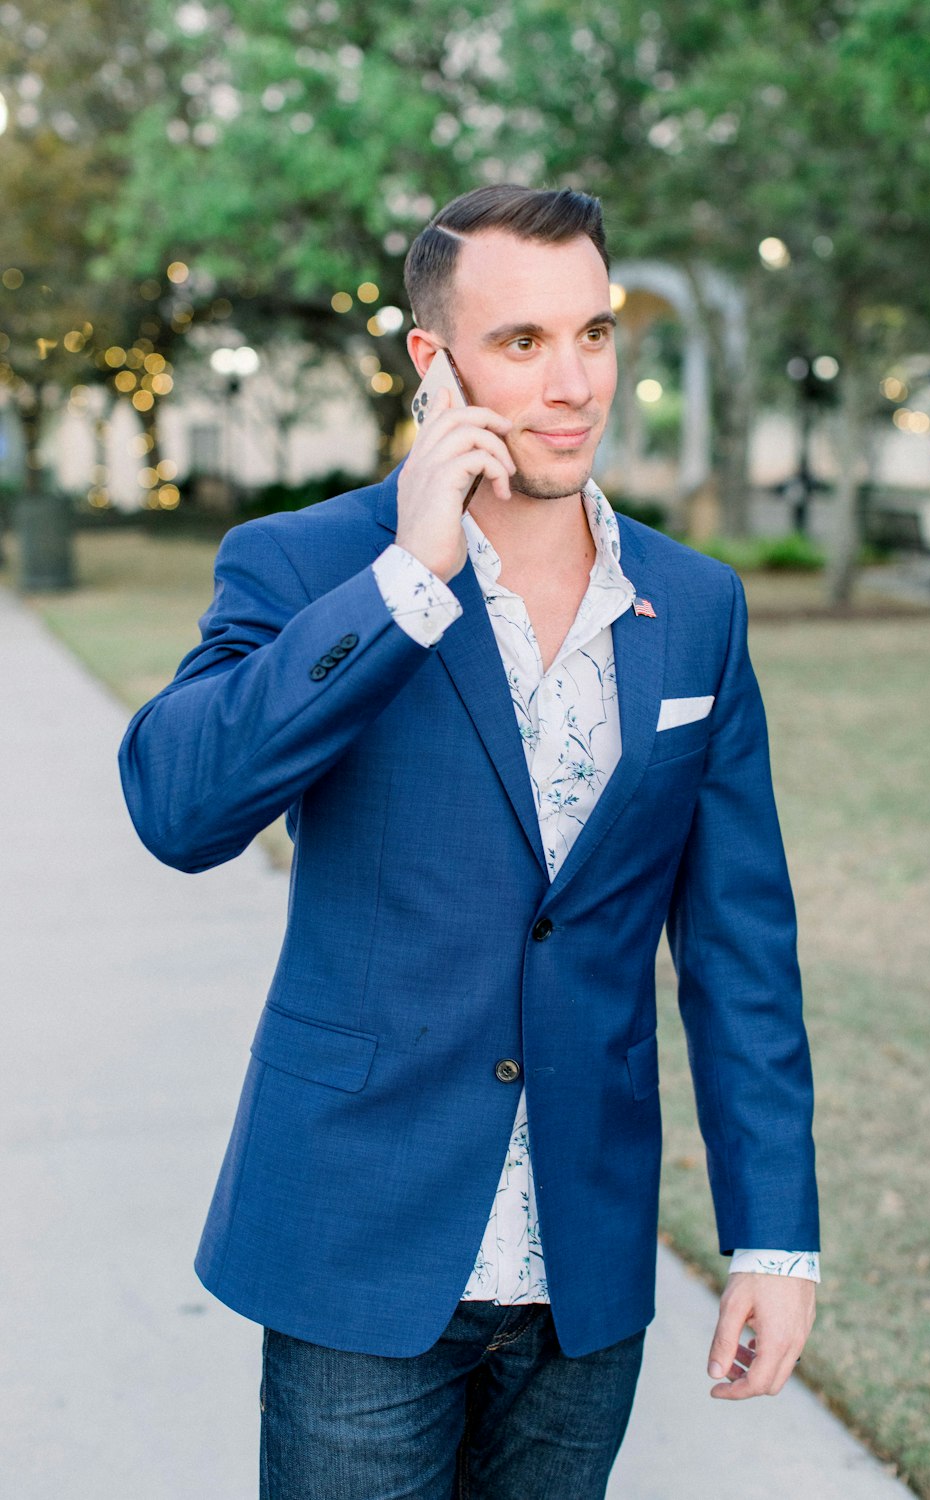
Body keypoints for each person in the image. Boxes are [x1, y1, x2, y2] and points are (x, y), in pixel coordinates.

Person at [119, 185, 820, 1500]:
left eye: (595, 335)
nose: (573, 386)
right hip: (360, 1257)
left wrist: (775, 1242)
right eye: (521, 344)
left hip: (585, 1274)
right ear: (432, 363)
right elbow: (180, 807)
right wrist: (406, 580)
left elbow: (741, 950)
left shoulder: (697, 609)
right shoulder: (301, 563)